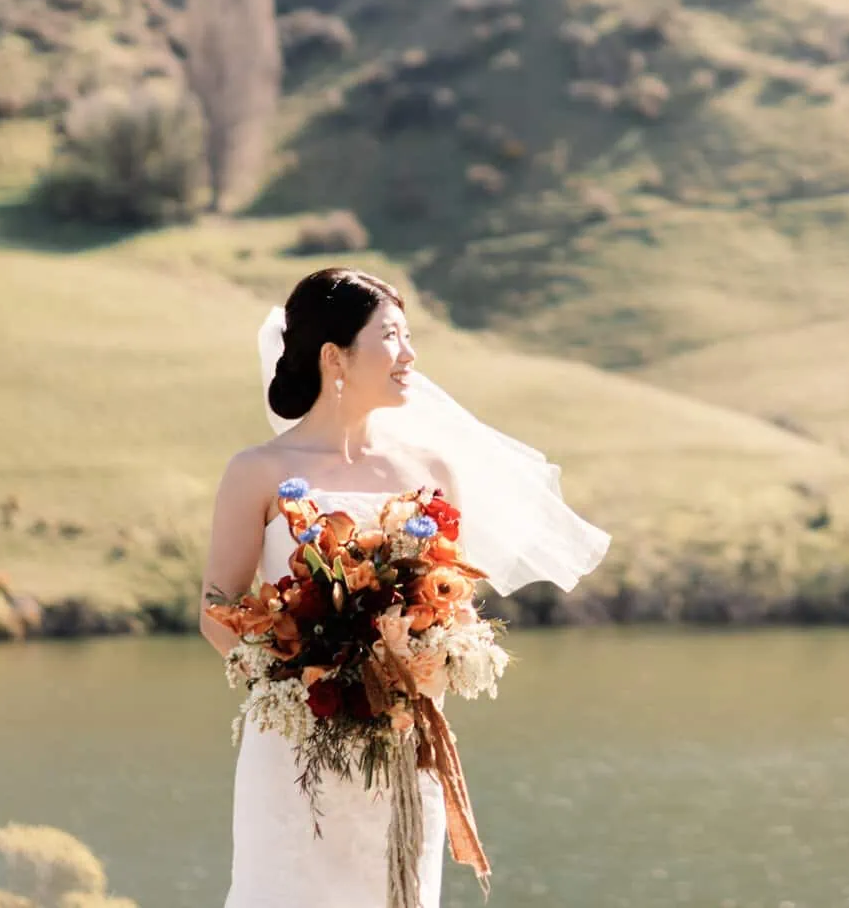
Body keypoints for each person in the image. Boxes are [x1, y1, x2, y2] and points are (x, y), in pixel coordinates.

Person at [203, 266, 608, 908]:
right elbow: (218, 612)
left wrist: (426, 663)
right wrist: (311, 683)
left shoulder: (430, 470)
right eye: (391, 336)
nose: (410, 355)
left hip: (403, 745)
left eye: (409, 335)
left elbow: (456, 608)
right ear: (335, 357)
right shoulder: (257, 471)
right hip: (294, 749)